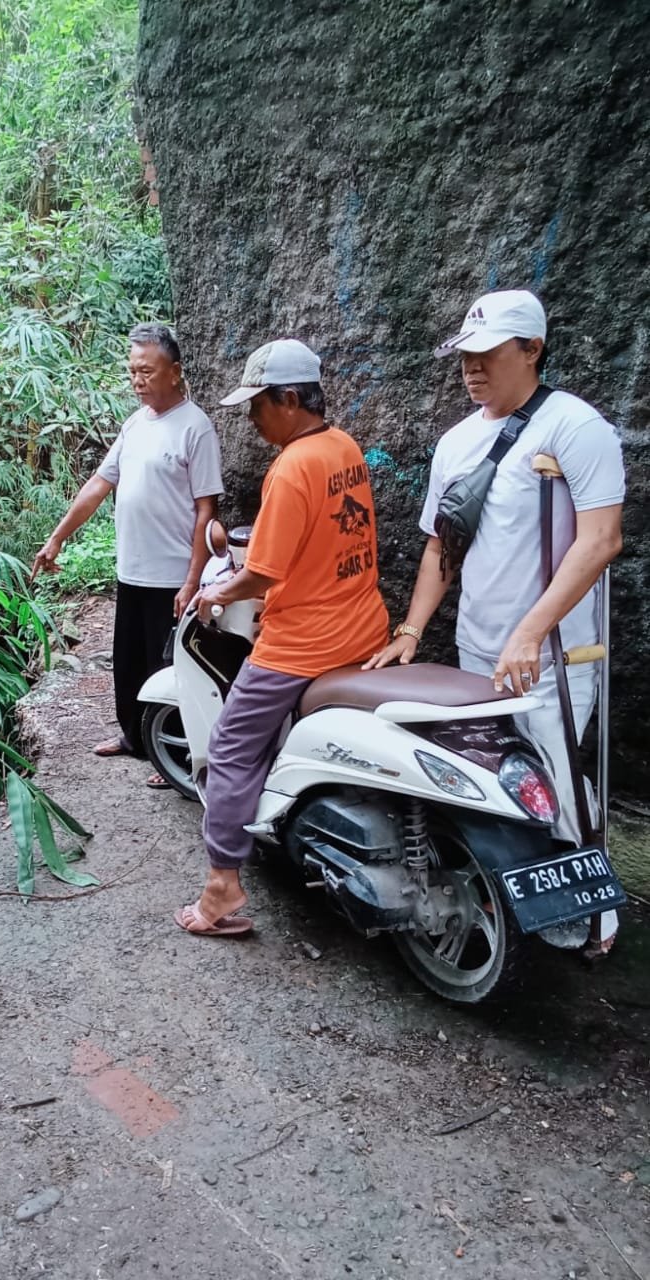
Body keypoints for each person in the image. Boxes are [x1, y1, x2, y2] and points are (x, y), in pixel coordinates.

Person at [364, 288, 625, 950]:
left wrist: (532, 632)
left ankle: (594, 919)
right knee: (492, 783)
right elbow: (438, 546)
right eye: (463, 358)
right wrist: (410, 631)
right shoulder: (457, 441)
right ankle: (519, 904)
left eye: (485, 355)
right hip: (476, 652)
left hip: (549, 661)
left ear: (531, 349)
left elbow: (600, 541)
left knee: (555, 781)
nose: (470, 369)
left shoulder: (574, 427)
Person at [175, 338, 390, 935]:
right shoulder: (344, 447)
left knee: (230, 748)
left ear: (290, 399)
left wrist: (215, 592)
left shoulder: (291, 467)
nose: (252, 417)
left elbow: (264, 572)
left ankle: (221, 890)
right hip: (364, 627)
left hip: (305, 642)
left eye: (258, 404)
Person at [31, 323, 223, 787]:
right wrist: (57, 538)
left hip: (173, 571)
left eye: (148, 370)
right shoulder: (135, 425)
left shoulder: (195, 427)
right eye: (133, 370)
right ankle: (136, 737)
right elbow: (99, 485)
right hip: (133, 569)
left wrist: (192, 581)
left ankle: (173, 750)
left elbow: (206, 511)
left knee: (174, 667)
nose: (138, 379)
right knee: (130, 661)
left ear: (174, 372)